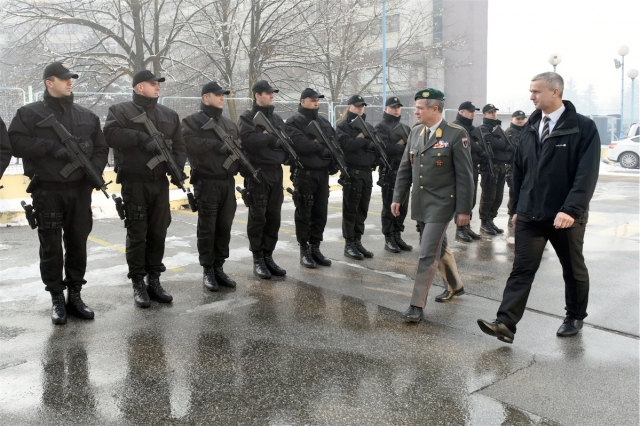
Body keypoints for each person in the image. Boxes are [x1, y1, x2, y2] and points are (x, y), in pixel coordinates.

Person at [477, 72, 601, 343]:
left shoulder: (582, 127)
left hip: (565, 217)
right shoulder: (529, 128)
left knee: (572, 268)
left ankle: (575, 316)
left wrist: (571, 210)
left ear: (555, 92)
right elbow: (519, 172)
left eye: (536, 91)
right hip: (531, 214)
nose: (531, 96)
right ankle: (505, 323)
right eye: (530, 91)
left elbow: (586, 174)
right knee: (521, 269)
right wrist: (516, 209)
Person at [8, 62, 109, 324]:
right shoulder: (28, 114)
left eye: (71, 79)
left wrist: (94, 171)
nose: (69, 82)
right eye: (63, 79)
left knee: (78, 243)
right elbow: (15, 143)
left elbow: (101, 148)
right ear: (48, 83)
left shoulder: (87, 116)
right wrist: (51, 148)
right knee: (51, 246)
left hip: (79, 190)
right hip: (48, 189)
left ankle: (75, 295)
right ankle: (56, 297)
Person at [104, 69, 187, 308]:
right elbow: (109, 135)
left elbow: (180, 146)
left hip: (159, 182)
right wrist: (141, 138)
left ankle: (155, 280)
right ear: (139, 87)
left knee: (158, 232)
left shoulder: (169, 114)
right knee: (137, 232)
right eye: (153, 84)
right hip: (134, 181)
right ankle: (138, 282)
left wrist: (177, 168)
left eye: (158, 84)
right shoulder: (120, 111)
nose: (157, 87)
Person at [391, 88, 474, 322]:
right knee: (439, 246)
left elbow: (465, 176)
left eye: (420, 108)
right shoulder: (416, 132)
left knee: (427, 252)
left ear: (434, 108)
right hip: (421, 202)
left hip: (442, 204)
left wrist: (464, 210)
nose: (415, 111)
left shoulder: (456, 133)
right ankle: (455, 284)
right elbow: (404, 169)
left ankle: (416, 305)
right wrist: (398, 197)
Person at [181, 81, 240, 291]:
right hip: (206, 182)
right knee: (208, 228)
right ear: (206, 97)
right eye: (218, 95)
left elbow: (238, 149)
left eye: (223, 95)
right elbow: (188, 142)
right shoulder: (192, 122)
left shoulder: (229, 124)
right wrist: (217, 145)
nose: (222, 97)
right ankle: (207, 270)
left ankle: (219, 267)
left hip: (227, 183)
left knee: (224, 227)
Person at [238, 80, 294, 279]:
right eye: (268, 93)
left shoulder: (277, 119)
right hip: (258, 172)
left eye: (272, 93)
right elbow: (248, 140)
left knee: (273, 217)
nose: (272, 96)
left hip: (276, 172)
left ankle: (269, 256)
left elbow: (285, 141)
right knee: (258, 218)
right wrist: (269, 139)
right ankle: (258, 259)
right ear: (257, 95)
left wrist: (276, 143)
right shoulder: (247, 117)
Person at [285, 88, 334, 268]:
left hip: (322, 174)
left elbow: (332, 142)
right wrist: (319, 148)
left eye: (317, 100)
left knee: (320, 212)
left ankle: (315, 247)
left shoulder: (323, 122)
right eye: (312, 100)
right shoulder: (294, 122)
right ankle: (304, 249)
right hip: (305, 173)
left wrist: (334, 161)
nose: (316, 103)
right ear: (303, 101)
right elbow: (299, 143)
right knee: (304, 212)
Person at [336, 95, 378, 260]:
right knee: (351, 210)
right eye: (357, 105)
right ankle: (349, 244)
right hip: (352, 173)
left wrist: (371, 147)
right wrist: (362, 140)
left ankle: (357, 241)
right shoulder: (343, 125)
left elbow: (376, 147)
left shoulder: (367, 125)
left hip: (367, 173)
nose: (360, 108)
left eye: (362, 106)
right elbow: (345, 145)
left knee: (362, 210)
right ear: (349, 106)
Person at [374, 96, 413, 253]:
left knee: (402, 206)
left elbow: (412, 147)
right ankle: (389, 237)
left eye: (398, 107)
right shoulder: (381, 127)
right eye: (393, 107)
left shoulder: (405, 128)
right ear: (386, 108)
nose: (396, 109)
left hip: (403, 172)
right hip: (390, 171)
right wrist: (402, 149)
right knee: (389, 205)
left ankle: (397, 235)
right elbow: (384, 147)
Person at [478, 103, 513, 235]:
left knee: (498, 196)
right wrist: (503, 145)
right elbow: (493, 143)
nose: (493, 114)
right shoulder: (483, 129)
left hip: (501, 166)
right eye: (490, 112)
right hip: (489, 166)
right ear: (484, 115)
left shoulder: (498, 129)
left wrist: (503, 146)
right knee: (489, 195)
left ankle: (491, 220)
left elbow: (508, 148)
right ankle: (484, 222)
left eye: (494, 112)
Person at [452, 101, 483, 242]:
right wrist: (478, 148)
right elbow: (470, 146)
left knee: (471, 199)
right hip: (462, 168)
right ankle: (460, 229)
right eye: (470, 111)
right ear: (461, 111)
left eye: (473, 111)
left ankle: (467, 226)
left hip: (473, 166)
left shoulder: (472, 128)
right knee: (463, 199)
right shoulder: (456, 127)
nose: (472, 114)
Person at [504, 110, 527, 227]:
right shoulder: (510, 132)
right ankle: (512, 215)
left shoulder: (526, 131)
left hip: (525, 168)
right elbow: (517, 148)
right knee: (514, 193)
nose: (520, 121)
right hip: (513, 168)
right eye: (518, 119)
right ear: (512, 119)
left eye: (522, 119)